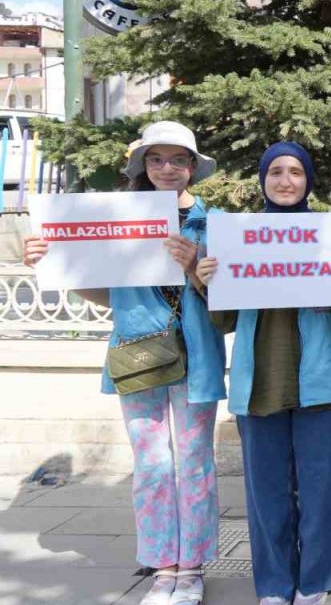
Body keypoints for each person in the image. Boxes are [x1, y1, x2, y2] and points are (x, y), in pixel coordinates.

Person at [25, 120, 225, 605]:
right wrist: (53, 264)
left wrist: (193, 266)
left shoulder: (213, 221)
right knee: (152, 464)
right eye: (155, 159)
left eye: (178, 159)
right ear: (142, 167)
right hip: (137, 353)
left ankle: (192, 567)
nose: (167, 168)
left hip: (196, 354)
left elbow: (230, 300)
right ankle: (164, 567)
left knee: (195, 462)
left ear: (194, 167)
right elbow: (103, 292)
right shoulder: (119, 217)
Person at [196, 142, 331, 605]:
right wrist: (209, 280)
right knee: (265, 493)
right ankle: (273, 584)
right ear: (263, 180)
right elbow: (224, 321)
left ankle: (316, 581)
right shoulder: (237, 236)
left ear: (308, 180)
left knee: (321, 490)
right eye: (275, 172)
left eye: (295, 172)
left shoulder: (328, 234)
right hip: (258, 383)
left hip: (319, 381)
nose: (285, 180)